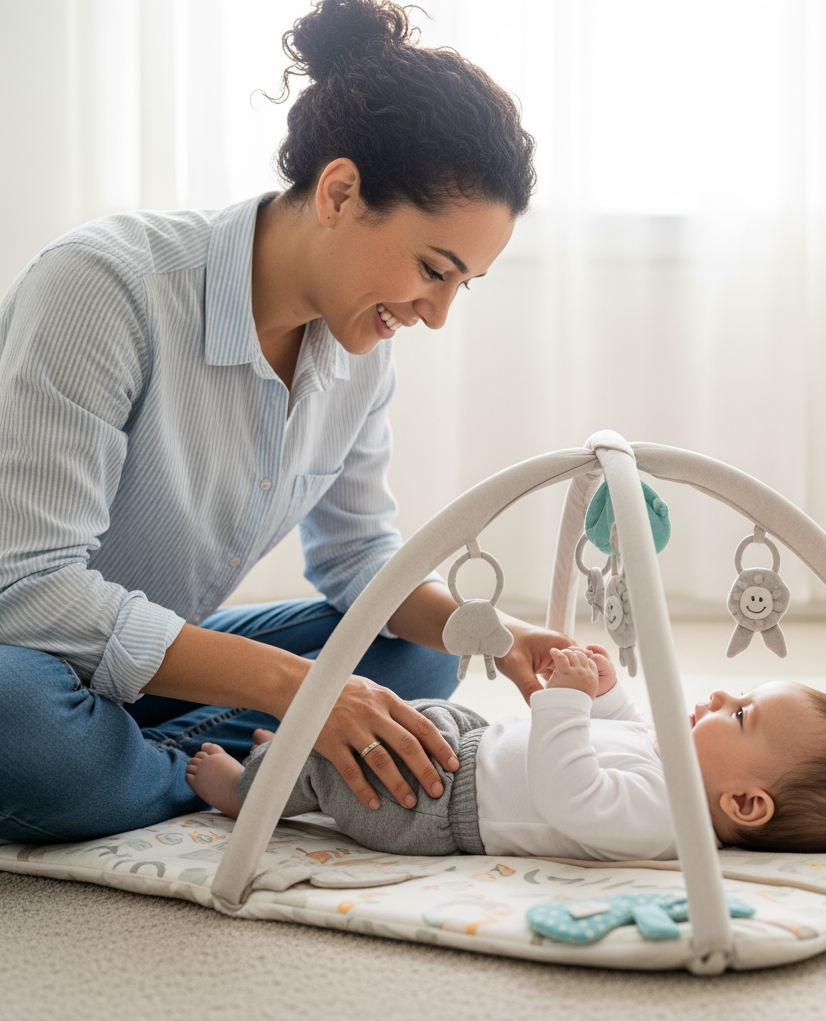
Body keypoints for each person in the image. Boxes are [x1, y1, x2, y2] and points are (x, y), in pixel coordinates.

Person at [0, 0, 574, 844]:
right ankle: (237, 770)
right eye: (432, 270)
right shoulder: (104, 287)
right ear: (340, 192)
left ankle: (158, 773)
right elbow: (29, 588)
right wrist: (298, 691)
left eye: (463, 285)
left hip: (135, 661)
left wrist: (502, 636)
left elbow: (360, 560)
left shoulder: (361, 348)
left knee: (422, 652)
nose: (438, 315)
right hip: (24, 650)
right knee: (21, 724)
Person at [187, 645, 826, 858]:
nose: (719, 697)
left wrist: (567, 705)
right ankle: (302, 747)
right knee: (399, 717)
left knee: (352, 779)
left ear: (744, 802)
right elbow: (622, 738)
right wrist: (607, 697)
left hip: (437, 809)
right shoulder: (676, 769)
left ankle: (249, 790)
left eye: (740, 715)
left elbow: (571, 792)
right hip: (470, 745)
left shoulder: (664, 822)